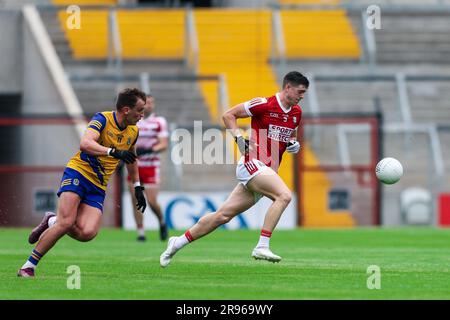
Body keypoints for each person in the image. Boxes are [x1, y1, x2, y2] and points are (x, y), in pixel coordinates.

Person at [159, 71, 308, 267]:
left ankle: (177, 243)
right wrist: (238, 137)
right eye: (300, 92)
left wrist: (293, 143)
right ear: (287, 87)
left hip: (267, 170)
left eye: (304, 93)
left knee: (222, 216)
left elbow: (290, 135)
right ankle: (262, 245)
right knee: (284, 196)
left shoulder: (296, 113)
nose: (302, 96)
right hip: (252, 164)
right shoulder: (264, 104)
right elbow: (228, 115)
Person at [17, 88, 148, 277]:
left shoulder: (133, 131)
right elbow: (85, 144)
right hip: (79, 173)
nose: (142, 115)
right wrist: (112, 152)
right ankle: (28, 266)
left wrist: (137, 188)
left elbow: (132, 160)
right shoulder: (102, 119)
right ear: (126, 110)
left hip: (98, 186)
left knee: (87, 233)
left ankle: (52, 220)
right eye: (140, 110)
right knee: (67, 222)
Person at [128, 94, 169, 242]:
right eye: (147, 103)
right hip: (134, 166)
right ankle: (141, 233)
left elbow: (163, 144)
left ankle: (162, 221)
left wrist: (150, 150)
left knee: (151, 201)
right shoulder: (133, 121)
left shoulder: (159, 122)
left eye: (152, 102)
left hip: (151, 166)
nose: (149, 105)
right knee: (135, 200)